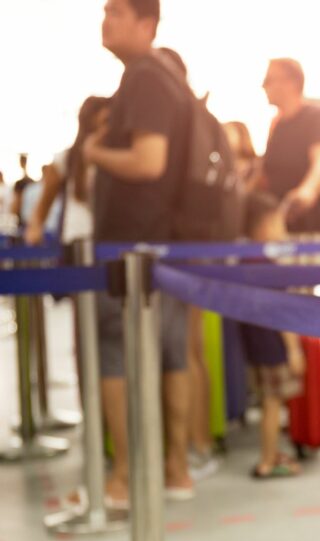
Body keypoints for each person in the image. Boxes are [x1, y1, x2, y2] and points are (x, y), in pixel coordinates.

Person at [84, 0, 193, 505]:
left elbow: (149, 162)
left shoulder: (146, 79)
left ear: (146, 23)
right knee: (173, 355)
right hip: (164, 246)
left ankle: (123, 477)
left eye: (115, 11)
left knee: (113, 355)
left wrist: (95, 152)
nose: (105, 19)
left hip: (132, 245)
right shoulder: (166, 79)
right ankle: (176, 469)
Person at [240, 192, 305, 478]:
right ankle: (267, 461)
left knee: (269, 403)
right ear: (264, 226)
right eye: (279, 223)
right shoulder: (269, 269)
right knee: (272, 405)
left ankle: (271, 453)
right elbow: (282, 313)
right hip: (273, 346)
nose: (283, 231)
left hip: (253, 344)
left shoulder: (244, 264)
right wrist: (294, 350)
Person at [261, 58, 320, 235]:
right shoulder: (277, 126)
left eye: (268, 80)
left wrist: (308, 190)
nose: (263, 86)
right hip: (282, 230)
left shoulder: (316, 117)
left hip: (312, 232)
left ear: (291, 83)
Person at [24, 97, 110, 247]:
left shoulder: (114, 159)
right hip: (74, 244)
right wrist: (35, 231)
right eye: (103, 122)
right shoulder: (65, 159)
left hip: (106, 243)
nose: (106, 129)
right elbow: (42, 207)